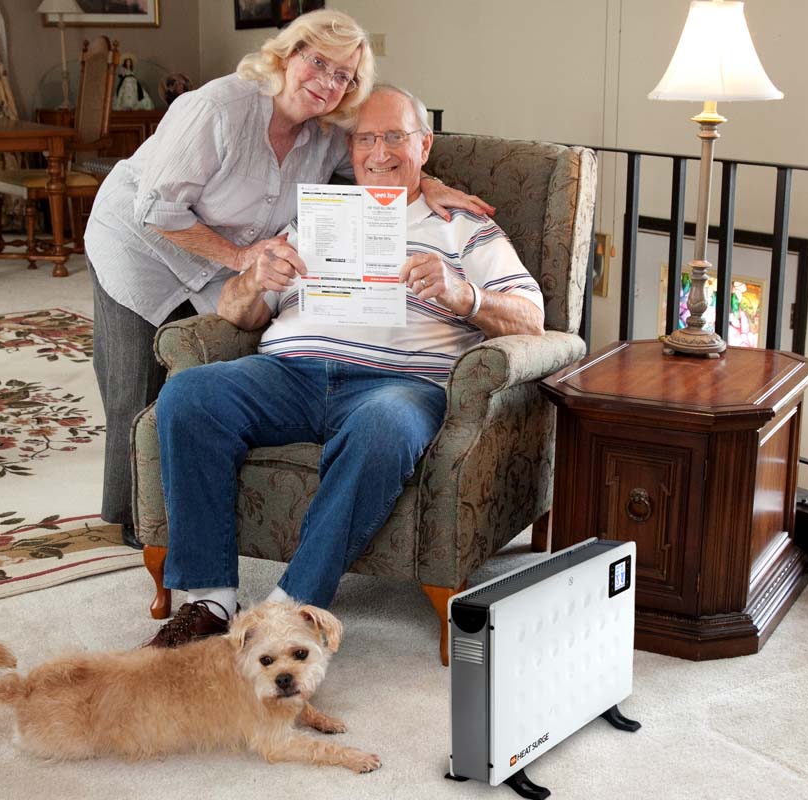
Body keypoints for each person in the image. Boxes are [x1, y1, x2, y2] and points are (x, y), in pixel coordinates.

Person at [147, 85, 544, 646]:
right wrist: (256, 278)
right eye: (365, 139)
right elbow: (237, 314)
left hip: (398, 385)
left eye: (395, 137)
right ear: (350, 149)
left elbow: (532, 319)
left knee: (384, 424)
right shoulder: (314, 218)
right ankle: (209, 599)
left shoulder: (464, 227)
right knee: (189, 394)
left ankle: (292, 608)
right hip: (288, 374)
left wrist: (464, 295)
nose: (379, 152)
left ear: (424, 146)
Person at [83, 10, 490, 550]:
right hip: (142, 240)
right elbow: (158, 209)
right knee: (135, 380)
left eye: (343, 74)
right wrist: (243, 258)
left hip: (225, 255)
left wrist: (431, 183)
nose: (327, 80)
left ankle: (200, 505)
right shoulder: (217, 109)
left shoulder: (325, 133)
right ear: (286, 55)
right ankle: (134, 521)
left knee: (211, 361)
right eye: (317, 61)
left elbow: (382, 162)